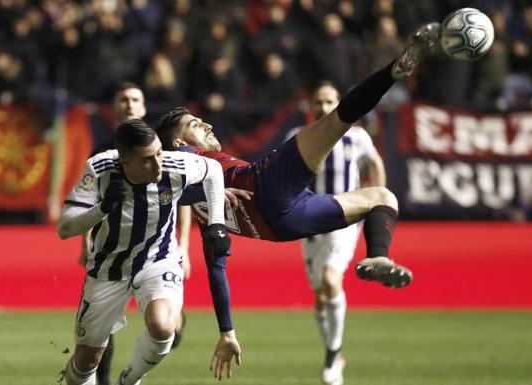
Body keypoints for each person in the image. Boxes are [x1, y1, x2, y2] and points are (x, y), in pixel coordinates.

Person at [156, 22, 442, 291]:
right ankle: (394, 71)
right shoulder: (183, 156)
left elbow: (216, 264)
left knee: (382, 197)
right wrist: (212, 187)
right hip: (266, 186)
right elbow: (165, 186)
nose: (207, 124)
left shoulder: (199, 203)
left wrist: (226, 330)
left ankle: (377, 257)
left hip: (283, 225)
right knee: (338, 120)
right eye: (195, 124)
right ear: (178, 141)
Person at [58, 118, 240, 385]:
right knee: (86, 359)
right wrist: (102, 209)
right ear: (125, 160)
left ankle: (129, 380)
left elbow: (212, 170)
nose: (158, 164)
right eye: (147, 159)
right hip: (109, 269)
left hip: (159, 259)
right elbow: (65, 227)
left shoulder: (173, 164)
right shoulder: (100, 168)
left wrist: (216, 224)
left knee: (163, 325)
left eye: (159, 153)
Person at [77, 82, 190, 385]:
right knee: (102, 333)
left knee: (169, 327)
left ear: (144, 107)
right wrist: (84, 241)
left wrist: (186, 246)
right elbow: (87, 202)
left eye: (135, 99)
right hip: (112, 253)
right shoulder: (101, 154)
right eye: (123, 99)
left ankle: (133, 374)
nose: (128, 104)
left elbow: (185, 197)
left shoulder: (158, 148)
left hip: (156, 252)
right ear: (114, 108)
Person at [284, 81, 386, 385]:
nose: (324, 108)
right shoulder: (297, 137)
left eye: (330, 101)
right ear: (310, 107)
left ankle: (333, 355)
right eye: (318, 102)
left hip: (344, 217)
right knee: (319, 297)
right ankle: (333, 351)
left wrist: (379, 201)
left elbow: (375, 163)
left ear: (339, 104)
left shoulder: (356, 137)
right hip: (308, 223)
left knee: (331, 279)